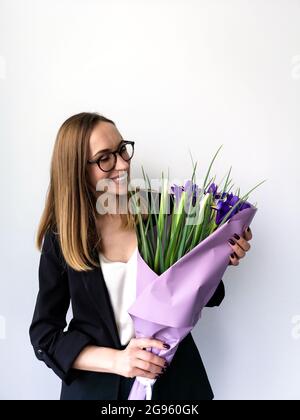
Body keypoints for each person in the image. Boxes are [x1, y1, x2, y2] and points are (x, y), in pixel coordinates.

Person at [29, 112, 253, 400]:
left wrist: (222, 255)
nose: (123, 164)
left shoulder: (163, 207)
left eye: (122, 149)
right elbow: (44, 336)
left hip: (175, 385)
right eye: (105, 158)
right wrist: (118, 361)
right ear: (76, 170)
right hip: (97, 390)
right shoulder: (62, 237)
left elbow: (208, 296)